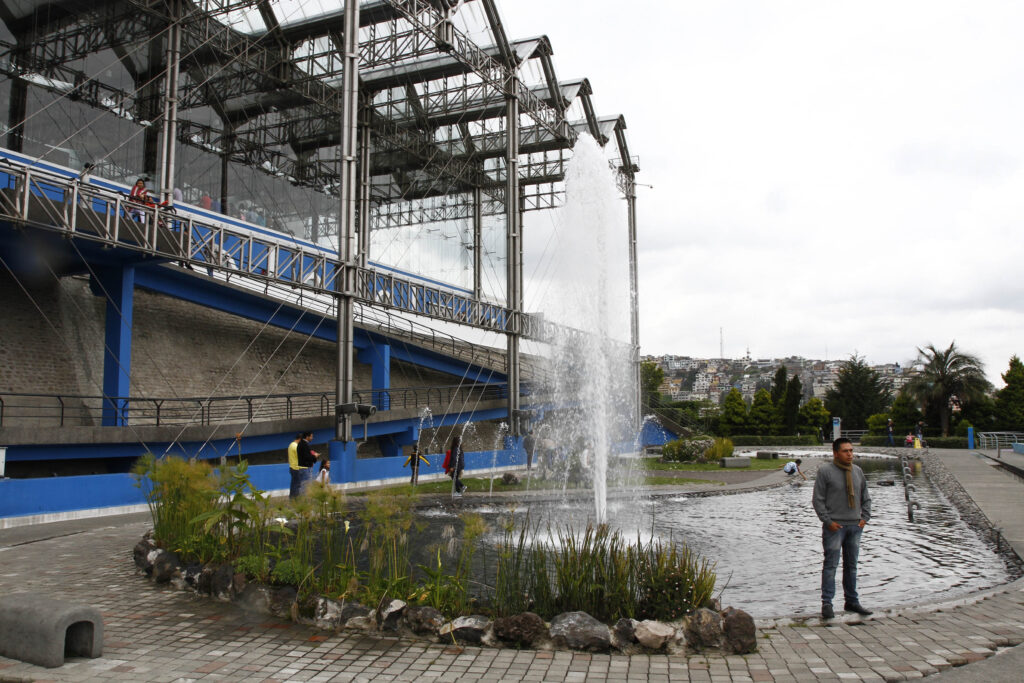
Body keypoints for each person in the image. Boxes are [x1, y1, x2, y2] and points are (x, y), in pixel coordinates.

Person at [812, 437, 872, 619]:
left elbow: (866, 497)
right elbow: (818, 499)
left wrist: (864, 518)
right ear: (836, 453)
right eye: (846, 451)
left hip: (855, 525)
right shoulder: (825, 471)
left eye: (851, 451)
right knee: (831, 565)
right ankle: (827, 603)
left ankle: (852, 601)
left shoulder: (858, 471)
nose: (850, 454)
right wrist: (828, 521)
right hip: (835, 527)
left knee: (851, 566)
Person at [287, 431, 318, 499]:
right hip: (297, 468)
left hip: (292, 467)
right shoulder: (296, 446)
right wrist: (313, 455)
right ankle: (298, 500)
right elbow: (304, 455)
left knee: (294, 485)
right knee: (301, 485)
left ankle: (293, 499)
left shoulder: (291, 444)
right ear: (300, 439)